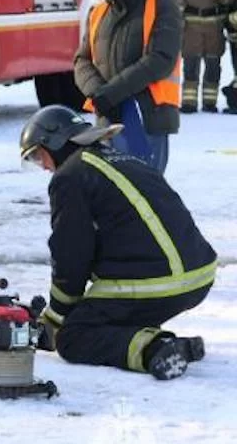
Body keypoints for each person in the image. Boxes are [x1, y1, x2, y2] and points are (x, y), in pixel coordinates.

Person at [19, 105, 215, 380]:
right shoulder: (120, 159)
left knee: (74, 336)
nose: (43, 167)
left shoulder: (70, 176)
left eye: (39, 156)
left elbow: (71, 253)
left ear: (55, 141)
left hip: (160, 281)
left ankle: (156, 348)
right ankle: (157, 339)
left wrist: (57, 317)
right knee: (105, 316)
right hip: (198, 275)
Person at [74, 0, 183, 174]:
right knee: (112, 196)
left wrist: (111, 94)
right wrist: (98, 93)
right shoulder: (98, 12)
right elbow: (82, 60)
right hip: (107, 120)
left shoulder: (161, 5)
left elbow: (160, 59)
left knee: (145, 191)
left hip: (147, 118)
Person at [171, 0, 235, 113]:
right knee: (191, 64)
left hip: (215, 26)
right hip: (192, 25)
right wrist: (178, 18)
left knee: (213, 64)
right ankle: (189, 103)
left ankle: (210, 103)